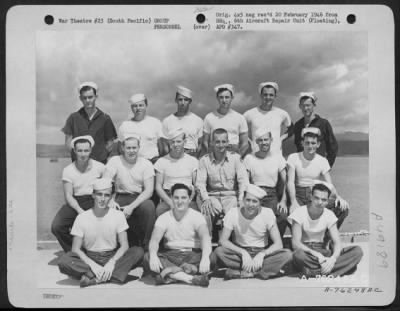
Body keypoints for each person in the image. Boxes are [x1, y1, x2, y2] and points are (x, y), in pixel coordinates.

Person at [58, 178, 144, 287]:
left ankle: (94, 278)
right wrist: (92, 264)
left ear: (111, 197)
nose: (102, 199)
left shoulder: (118, 215)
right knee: (64, 261)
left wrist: (112, 262)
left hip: (112, 255)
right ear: (93, 195)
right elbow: (76, 249)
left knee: (138, 252)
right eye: (99, 194)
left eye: (107, 195)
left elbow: (124, 245)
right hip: (90, 256)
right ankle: (112, 275)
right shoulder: (82, 217)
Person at [214, 184, 293, 280]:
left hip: (260, 253)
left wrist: (262, 254)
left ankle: (242, 272)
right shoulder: (233, 213)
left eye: (255, 201)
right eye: (248, 200)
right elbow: (223, 241)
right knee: (219, 251)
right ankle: (260, 272)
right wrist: (243, 252)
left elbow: (278, 244)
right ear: (243, 199)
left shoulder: (267, 213)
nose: (250, 204)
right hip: (240, 254)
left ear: (260, 203)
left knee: (287, 254)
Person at [143, 183, 215, 287]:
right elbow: (154, 240)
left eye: (183, 198)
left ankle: (170, 275)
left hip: (193, 255)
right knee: (148, 256)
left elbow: (205, 237)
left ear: (190, 199)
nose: (180, 201)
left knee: (212, 257)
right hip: (171, 255)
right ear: (171, 198)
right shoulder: (163, 218)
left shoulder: (197, 216)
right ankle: (189, 277)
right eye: (176, 198)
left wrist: (204, 258)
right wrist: (153, 255)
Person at [288, 183, 363, 277]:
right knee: (297, 255)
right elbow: (295, 244)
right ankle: (335, 270)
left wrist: (333, 260)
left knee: (357, 251)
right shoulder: (299, 212)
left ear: (327, 202)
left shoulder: (329, 215)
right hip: (306, 252)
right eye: (316, 198)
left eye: (323, 200)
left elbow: (337, 242)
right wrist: (316, 254)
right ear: (310, 197)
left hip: (322, 251)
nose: (319, 202)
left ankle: (313, 272)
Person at [51, 136, 106, 252]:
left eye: (86, 150)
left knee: (99, 224)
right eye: (80, 150)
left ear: (91, 151)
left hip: (95, 200)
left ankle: (99, 250)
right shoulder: (68, 170)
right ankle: (75, 251)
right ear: (74, 151)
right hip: (75, 201)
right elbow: (68, 196)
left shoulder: (100, 167)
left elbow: (107, 190)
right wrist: (80, 211)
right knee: (57, 226)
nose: (83, 154)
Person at [287, 127, 349, 229]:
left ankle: (326, 238)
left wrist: (338, 197)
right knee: (290, 213)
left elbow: (329, 183)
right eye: (307, 143)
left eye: (313, 143)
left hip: (314, 194)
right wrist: (293, 202)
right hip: (298, 194)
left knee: (343, 209)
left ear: (318, 144)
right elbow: (290, 182)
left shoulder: (322, 161)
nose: (310, 146)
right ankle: (300, 237)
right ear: (302, 143)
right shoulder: (293, 158)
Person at [103, 134, 156, 250]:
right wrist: (110, 200)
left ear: (138, 148)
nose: (131, 151)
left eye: (134, 148)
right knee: (108, 208)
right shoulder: (114, 161)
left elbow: (149, 191)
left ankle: (147, 246)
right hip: (120, 196)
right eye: (128, 148)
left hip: (138, 197)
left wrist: (131, 207)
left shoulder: (146, 164)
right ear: (122, 148)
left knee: (149, 206)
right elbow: (105, 183)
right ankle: (111, 247)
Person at [196, 128, 249, 240]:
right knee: (205, 212)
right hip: (212, 197)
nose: (221, 145)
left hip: (231, 197)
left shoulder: (236, 158)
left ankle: (236, 245)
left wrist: (241, 199)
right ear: (212, 143)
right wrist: (206, 199)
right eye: (217, 142)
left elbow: (243, 181)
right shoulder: (204, 160)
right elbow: (200, 183)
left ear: (228, 142)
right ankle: (207, 246)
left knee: (237, 213)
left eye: (223, 141)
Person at [243, 129, 288, 237]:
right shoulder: (249, 158)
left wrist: (283, 201)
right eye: (261, 140)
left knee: (282, 215)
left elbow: (286, 181)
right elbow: (245, 182)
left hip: (271, 195)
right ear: (257, 142)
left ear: (271, 140)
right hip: (254, 193)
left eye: (266, 140)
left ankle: (275, 243)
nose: (264, 143)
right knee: (250, 217)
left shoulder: (278, 158)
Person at [62, 82, 117, 164]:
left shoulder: (105, 118)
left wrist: (100, 157)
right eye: (84, 98)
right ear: (80, 98)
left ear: (96, 97)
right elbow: (68, 143)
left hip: (99, 165)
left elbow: (110, 143)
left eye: (90, 97)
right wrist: (79, 157)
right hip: (78, 166)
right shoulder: (73, 118)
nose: (87, 100)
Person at [154, 128, 199, 217]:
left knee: (198, 214)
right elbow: (158, 187)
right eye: (172, 142)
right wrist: (170, 202)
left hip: (188, 197)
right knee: (160, 210)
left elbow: (197, 184)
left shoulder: (193, 161)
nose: (175, 145)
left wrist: (190, 198)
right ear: (169, 143)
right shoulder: (161, 162)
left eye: (178, 141)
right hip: (169, 197)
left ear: (184, 142)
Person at [244, 82, 293, 156]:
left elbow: (292, 129)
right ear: (261, 95)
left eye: (271, 95)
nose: (268, 97)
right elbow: (238, 127)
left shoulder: (282, 114)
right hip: (256, 158)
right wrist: (249, 142)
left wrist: (281, 139)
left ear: (275, 96)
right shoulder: (250, 113)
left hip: (276, 157)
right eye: (265, 95)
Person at [202, 84, 249, 157]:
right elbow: (205, 142)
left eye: (227, 97)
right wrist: (210, 157)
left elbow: (245, 143)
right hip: (215, 152)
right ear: (217, 98)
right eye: (221, 97)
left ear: (232, 98)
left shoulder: (240, 118)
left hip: (234, 152)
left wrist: (237, 158)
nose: (224, 100)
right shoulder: (209, 117)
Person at [294, 92, 338, 167]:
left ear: (314, 105)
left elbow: (333, 147)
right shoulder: (298, 125)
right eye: (303, 105)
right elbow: (298, 147)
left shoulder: (324, 123)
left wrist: (327, 167)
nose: (305, 108)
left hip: (319, 167)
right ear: (299, 106)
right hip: (302, 169)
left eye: (308, 105)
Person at [118, 93, 165, 163]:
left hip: (152, 163)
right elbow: (120, 149)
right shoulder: (124, 125)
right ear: (131, 107)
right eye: (135, 106)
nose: (138, 108)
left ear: (146, 106)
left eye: (141, 105)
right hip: (132, 164)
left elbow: (162, 148)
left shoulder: (156, 123)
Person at [162, 86, 203, 158]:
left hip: (192, 155)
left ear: (190, 101)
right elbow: (165, 145)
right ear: (176, 100)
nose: (183, 103)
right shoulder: (167, 121)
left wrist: (195, 158)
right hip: (173, 156)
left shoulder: (198, 120)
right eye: (180, 99)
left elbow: (200, 144)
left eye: (186, 100)